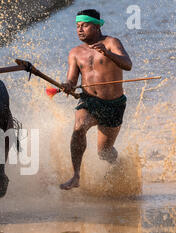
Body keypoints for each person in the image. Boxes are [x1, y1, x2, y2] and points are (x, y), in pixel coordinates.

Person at [59, 9, 132, 190]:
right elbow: (72, 80)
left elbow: (128, 64)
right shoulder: (75, 52)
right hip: (90, 101)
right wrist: (67, 85)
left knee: (104, 153)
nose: (80, 30)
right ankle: (76, 176)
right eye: (77, 26)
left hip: (114, 104)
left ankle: (120, 169)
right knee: (79, 127)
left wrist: (108, 53)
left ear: (97, 26)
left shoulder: (111, 42)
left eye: (84, 25)